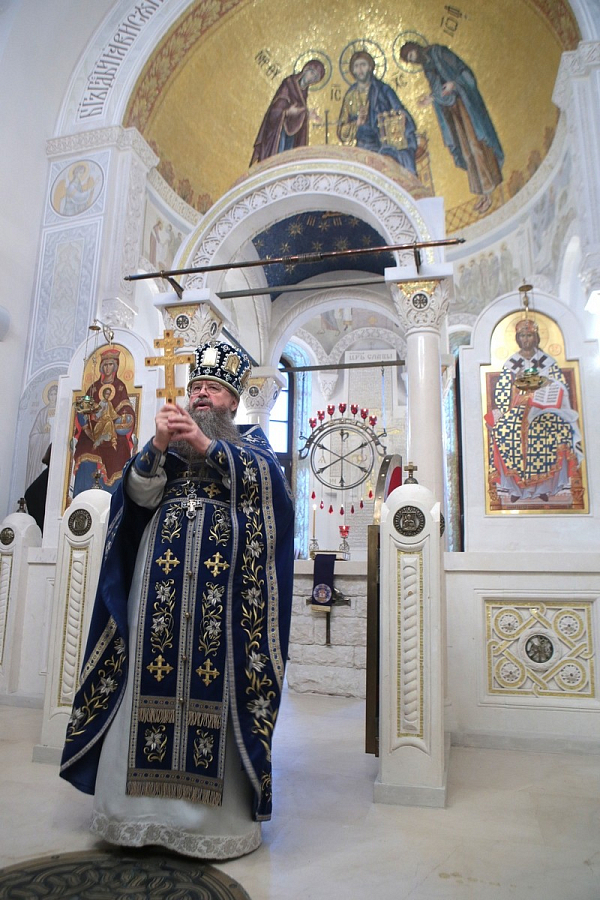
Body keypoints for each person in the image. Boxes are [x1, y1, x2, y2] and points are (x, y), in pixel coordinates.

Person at [60, 340, 295, 860]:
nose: (202, 395)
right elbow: (136, 498)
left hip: (223, 603)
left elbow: (275, 501)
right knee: (143, 680)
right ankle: (135, 816)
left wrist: (211, 449)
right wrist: (157, 446)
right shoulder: (165, 447)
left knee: (216, 686)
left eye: (213, 388)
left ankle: (210, 824)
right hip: (156, 595)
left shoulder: (251, 447)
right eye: (197, 388)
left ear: (233, 401)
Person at [485, 318, 584, 505]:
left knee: (553, 431)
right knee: (504, 430)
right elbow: (502, 392)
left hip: (544, 409)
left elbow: (560, 386)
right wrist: (513, 394)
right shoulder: (511, 363)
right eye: (522, 335)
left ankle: (543, 488)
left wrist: (546, 386)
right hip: (518, 409)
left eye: (529, 335)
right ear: (517, 338)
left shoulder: (547, 362)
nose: (526, 339)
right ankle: (517, 489)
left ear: (536, 337)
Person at [400, 41, 503, 213]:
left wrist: (454, 83)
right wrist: (431, 98)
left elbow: (464, 72)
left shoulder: (439, 52)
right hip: (450, 110)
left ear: (416, 48)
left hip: (465, 104)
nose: (414, 60)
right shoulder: (427, 67)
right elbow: (440, 89)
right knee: (466, 150)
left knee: (476, 145)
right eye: (410, 60)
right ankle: (481, 194)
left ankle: (489, 191)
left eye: (412, 55)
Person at [337, 51, 417, 175]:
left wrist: (390, 120)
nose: (360, 69)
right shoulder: (350, 96)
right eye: (356, 66)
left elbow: (400, 113)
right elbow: (342, 131)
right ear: (352, 70)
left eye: (363, 65)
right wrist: (357, 123)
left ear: (370, 67)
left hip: (385, 143)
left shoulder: (384, 90)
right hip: (364, 146)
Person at [72, 347, 136, 495]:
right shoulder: (94, 388)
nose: (108, 368)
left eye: (111, 364)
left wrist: (125, 417)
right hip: (92, 432)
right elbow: (82, 409)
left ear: (116, 366)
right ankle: (82, 498)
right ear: (101, 367)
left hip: (113, 431)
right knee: (85, 453)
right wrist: (86, 426)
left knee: (120, 452)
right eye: (105, 365)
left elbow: (126, 409)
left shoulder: (120, 387)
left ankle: (114, 498)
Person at [251, 59, 325, 164]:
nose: (311, 78)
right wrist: (287, 111)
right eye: (312, 73)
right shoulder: (289, 83)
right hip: (279, 129)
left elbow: (299, 112)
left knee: (286, 158)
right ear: (305, 70)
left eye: (315, 78)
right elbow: (276, 107)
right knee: (278, 155)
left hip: (292, 133)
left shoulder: (304, 93)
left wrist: (307, 115)